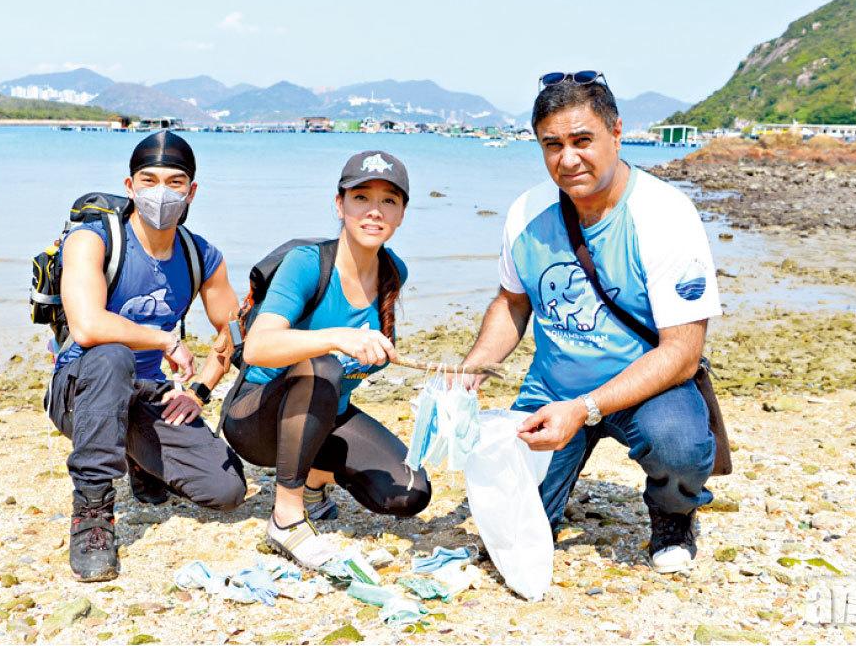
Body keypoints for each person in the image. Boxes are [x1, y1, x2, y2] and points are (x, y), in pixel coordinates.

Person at [458, 72, 721, 574]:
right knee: (516, 534)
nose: (568, 158)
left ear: (616, 133)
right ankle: (547, 497)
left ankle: (673, 515)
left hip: (646, 388)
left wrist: (584, 409)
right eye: (552, 144)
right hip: (554, 389)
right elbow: (512, 303)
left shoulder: (665, 214)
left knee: (679, 446)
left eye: (582, 140)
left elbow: (682, 352)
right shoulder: (527, 212)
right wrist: (473, 368)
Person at [45, 130, 246, 582]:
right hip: (80, 390)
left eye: (175, 182)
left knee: (226, 490)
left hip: (147, 394)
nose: (161, 192)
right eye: (149, 180)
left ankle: (138, 455)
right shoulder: (93, 240)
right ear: (130, 185)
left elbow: (232, 331)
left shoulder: (200, 256)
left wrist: (198, 392)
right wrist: (164, 341)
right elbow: (87, 326)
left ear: (192, 191)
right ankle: (92, 512)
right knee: (112, 354)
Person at [221, 150, 431, 569]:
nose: (374, 211)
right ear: (340, 204)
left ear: (402, 213)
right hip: (257, 417)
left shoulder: (394, 272)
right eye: (361, 198)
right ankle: (286, 517)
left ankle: (314, 478)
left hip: (325, 415)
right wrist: (337, 338)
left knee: (411, 492)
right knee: (324, 366)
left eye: (389, 200)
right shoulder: (307, 264)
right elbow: (258, 347)